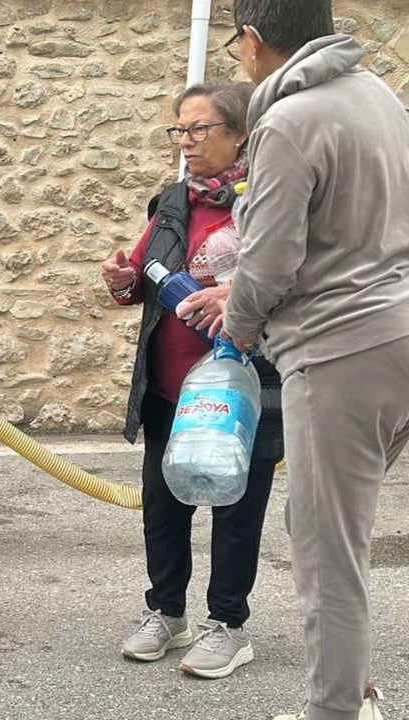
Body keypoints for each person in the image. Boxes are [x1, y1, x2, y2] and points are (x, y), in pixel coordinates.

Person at [216, 1, 409, 717]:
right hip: (397, 330)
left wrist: (236, 328)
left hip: (340, 350)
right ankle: (354, 689)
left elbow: (268, 264)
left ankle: (336, 710)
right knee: (319, 524)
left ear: (252, 40)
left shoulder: (289, 121)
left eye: (236, 44)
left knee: (328, 553)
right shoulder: (376, 95)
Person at [102, 82, 283, 681]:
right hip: (169, 386)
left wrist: (234, 292)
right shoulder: (171, 203)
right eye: (179, 129)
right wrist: (121, 280)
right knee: (163, 504)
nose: (186, 141)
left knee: (236, 509)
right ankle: (166, 613)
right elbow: (142, 280)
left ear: (240, 135)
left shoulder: (271, 200)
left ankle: (228, 625)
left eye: (200, 129)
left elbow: (296, 281)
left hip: (244, 387)